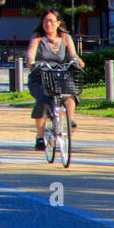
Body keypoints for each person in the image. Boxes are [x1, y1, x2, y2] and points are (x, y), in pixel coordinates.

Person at [24, 10, 85, 151]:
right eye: (45, 21)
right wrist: (31, 61)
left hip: (59, 74)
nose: (48, 24)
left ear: (58, 23)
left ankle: (69, 121)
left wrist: (76, 61)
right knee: (43, 99)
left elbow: (72, 55)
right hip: (41, 75)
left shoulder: (65, 38)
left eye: (51, 21)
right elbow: (30, 53)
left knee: (70, 93)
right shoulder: (38, 37)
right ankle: (40, 137)